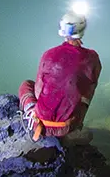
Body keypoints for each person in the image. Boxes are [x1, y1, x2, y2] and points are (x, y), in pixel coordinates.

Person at [19, 8, 102, 141]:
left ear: (63, 30)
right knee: (82, 94)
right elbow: (88, 94)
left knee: (26, 85)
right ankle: (72, 132)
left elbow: (38, 91)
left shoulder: (49, 55)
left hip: (41, 124)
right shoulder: (92, 58)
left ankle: (30, 115)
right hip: (69, 126)